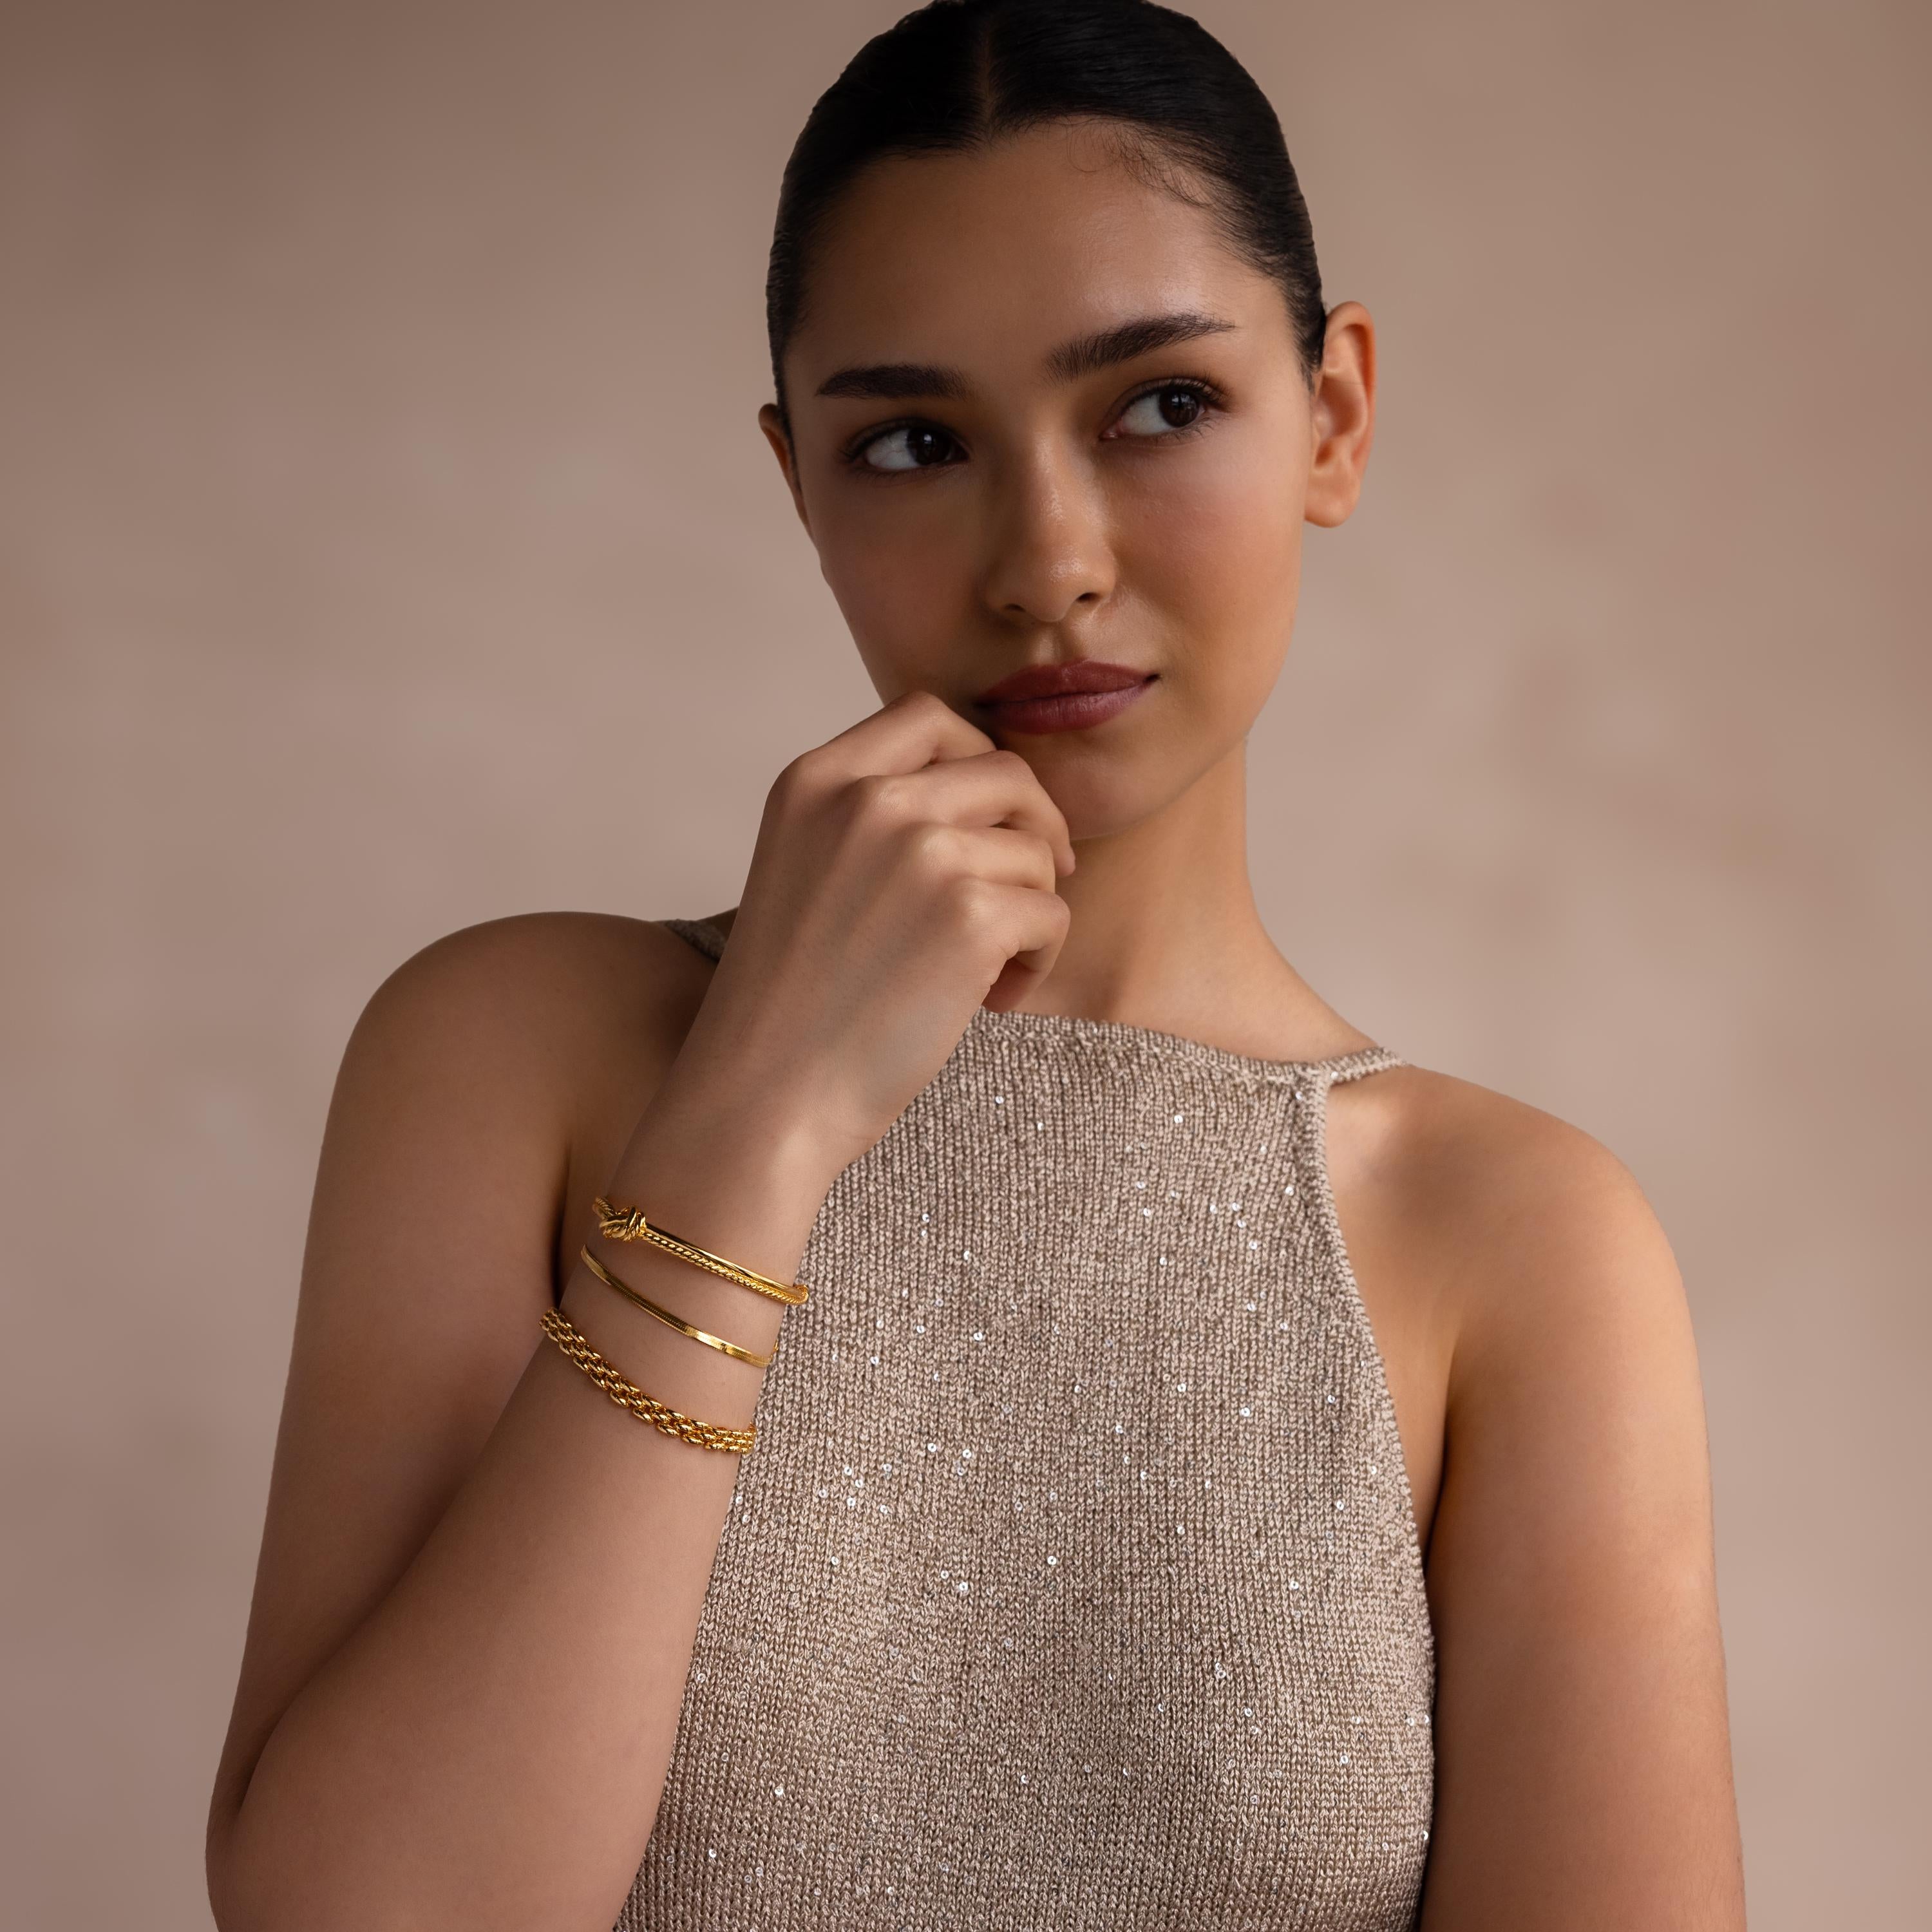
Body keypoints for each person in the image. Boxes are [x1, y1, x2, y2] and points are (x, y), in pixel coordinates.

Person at [205, 3, 1745, 1927]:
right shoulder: (519, 1053)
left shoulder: (1516, 1240)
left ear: (1333, 417)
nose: (1047, 558)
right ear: (798, 484)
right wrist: (751, 1120)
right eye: (915, 441)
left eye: (1161, 404)